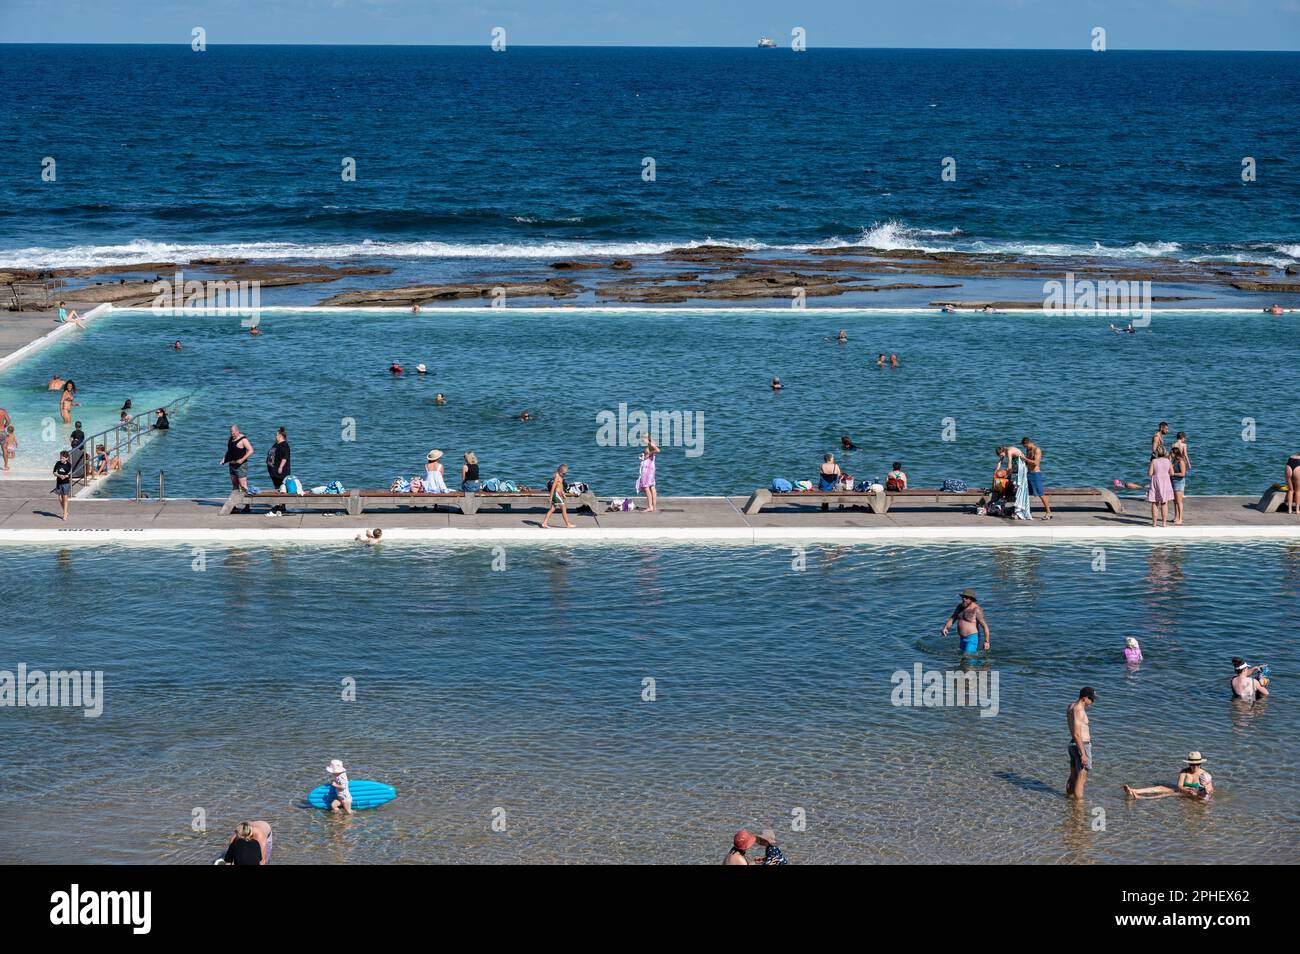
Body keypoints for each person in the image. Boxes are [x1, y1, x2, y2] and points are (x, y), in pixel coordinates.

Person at [1124, 752, 1213, 801]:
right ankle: (1133, 791)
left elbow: (1210, 789)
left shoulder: (1204, 774)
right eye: (1192, 764)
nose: (1195, 766)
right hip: (1183, 791)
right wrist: (1188, 790)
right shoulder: (1184, 771)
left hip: (1195, 795)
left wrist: (1198, 792)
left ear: (1200, 763)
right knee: (1160, 788)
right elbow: (1179, 786)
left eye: (1197, 764)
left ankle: (1141, 798)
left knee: (1169, 794)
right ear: (1189, 763)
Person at [1066, 687, 1096, 800]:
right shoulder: (1079, 710)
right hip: (1081, 744)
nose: (1093, 702)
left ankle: (1068, 798)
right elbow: (1077, 733)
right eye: (1091, 699)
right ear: (1084, 698)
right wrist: (1083, 753)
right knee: (1081, 777)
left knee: (1073, 775)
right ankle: (1078, 805)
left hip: (1072, 744)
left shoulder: (1071, 706)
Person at [941, 589, 990, 654]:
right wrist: (945, 628)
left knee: (968, 658)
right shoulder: (960, 607)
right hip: (962, 638)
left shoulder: (976, 609)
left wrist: (987, 641)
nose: (964, 599)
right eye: (963, 597)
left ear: (972, 599)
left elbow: (984, 626)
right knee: (963, 659)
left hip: (972, 638)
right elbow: (953, 618)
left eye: (966, 598)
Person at [221, 425, 254, 510]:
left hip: (241, 466)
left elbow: (251, 450)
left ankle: (247, 505)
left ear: (237, 431)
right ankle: (234, 505)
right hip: (232, 465)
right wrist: (224, 459)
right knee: (235, 485)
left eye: (233, 432)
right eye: (231, 432)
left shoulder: (243, 439)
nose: (232, 434)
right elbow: (229, 450)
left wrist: (242, 459)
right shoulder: (230, 439)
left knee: (243, 486)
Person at [1020, 437, 1053, 520]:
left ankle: (1049, 512)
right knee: (1025, 492)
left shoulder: (1037, 450)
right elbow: (1027, 462)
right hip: (1028, 474)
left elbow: (1036, 463)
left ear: (1028, 443)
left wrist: (1025, 459)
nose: (1025, 448)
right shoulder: (1028, 450)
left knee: (1041, 493)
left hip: (1036, 474)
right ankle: (1026, 511)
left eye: (1025, 446)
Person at [541, 463, 574, 529]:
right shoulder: (557, 476)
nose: (564, 474)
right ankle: (568, 524)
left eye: (565, 473)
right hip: (555, 494)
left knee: (552, 509)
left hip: (558, 495)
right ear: (560, 471)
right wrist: (550, 497)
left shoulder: (561, 476)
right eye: (564, 473)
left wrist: (563, 494)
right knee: (564, 508)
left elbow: (560, 486)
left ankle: (544, 523)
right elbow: (553, 487)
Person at [1147, 448, 1174, 527]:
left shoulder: (1154, 461)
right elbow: (1172, 473)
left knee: (1155, 503)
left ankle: (1154, 523)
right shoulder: (1168, 461)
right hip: (1165, 482)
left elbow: (1150, 473)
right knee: (1164, 503)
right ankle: (1164, 523)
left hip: (1155, 482)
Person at [266, 427, 290, 512]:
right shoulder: (277, 444)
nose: (275, 436)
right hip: (274, 471)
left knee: (282, 487)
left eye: (276, 435)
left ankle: (282, 505)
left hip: (280, 471)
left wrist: (280, 467)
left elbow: (285, 458)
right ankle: (278, 504)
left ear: (280, 436)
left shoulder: (284, 445)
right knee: (277, 487)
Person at [637, 435, 659, 512]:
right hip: (651, 468)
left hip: (647, 469)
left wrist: (648, 454)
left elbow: (657, 450)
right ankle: (654, 507)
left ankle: (650, 507)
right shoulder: (651, 443)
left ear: (647, 438)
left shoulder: (650, 444)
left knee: (646, 487)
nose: (642, 441)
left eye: (643, 439)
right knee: (652, 486)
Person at [1169, 444, 1188, 525]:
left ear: (1175, 453)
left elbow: (1183, 474)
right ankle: (1176, 517)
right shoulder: (1174, 460)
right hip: (1173, 481)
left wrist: (1173, 474)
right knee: (1174, 501)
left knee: (1179, 501)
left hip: (1179, 482)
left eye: (1171, 453)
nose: (1170, 454)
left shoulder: (1181, 461)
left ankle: (1180, 518)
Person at [53, 450, 72, 521]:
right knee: (59, 498)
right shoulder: (58, 463)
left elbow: (69, 474)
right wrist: (59, 475)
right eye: (60, 458)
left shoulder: (69, 465)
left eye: (63, 458)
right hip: (59, 482)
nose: (61, 459)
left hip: (66, 483)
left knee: (65, 498)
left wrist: (65, 476)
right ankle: (65, 511)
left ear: (67, 458)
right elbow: (54, 472)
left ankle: (64, 514)